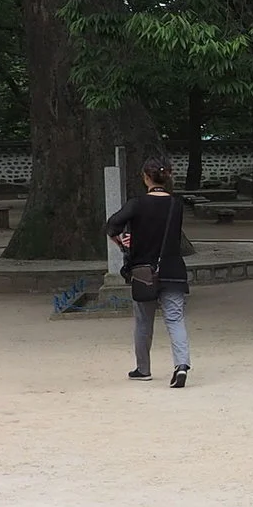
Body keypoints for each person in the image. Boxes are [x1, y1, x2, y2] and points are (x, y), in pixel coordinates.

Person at [105, 156, 192, 386]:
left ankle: (143, 369)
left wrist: (123, 242)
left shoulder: (137, 204)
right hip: (172, 268)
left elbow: (112, 224)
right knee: (175, 319)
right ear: (168, 176)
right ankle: (181, 365)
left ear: (145, 177)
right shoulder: (177, 204)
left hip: (143, 270)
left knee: (144, 321)